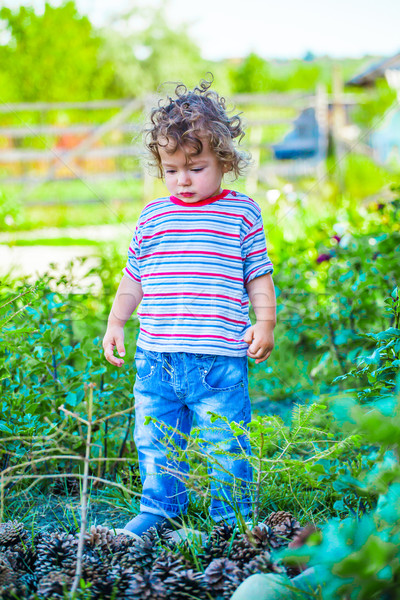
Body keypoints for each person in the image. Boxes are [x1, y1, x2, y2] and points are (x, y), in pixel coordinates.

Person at [102, 78, 276, 537]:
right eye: (172, 169)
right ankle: (162, 509)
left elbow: (258, 272)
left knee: (226, 443)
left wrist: (265, 320)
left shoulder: (241, 213)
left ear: (224, 160)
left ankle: (231, 519)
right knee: (156, 441)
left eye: (195, 167)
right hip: (156, 358)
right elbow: (134, 274)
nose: (183, 179)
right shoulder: (154, 216)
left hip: (219, 359)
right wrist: (117, 320)